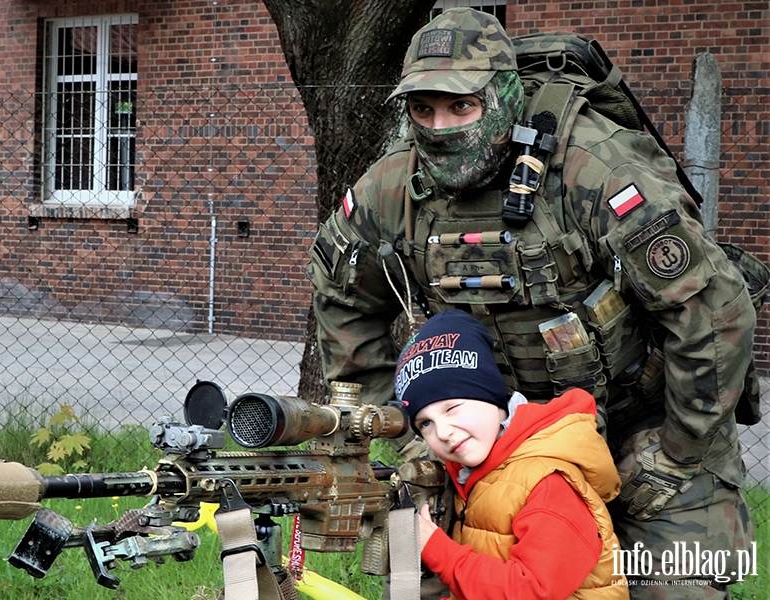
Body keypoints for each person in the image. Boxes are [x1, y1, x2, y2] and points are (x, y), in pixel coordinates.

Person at [307, 7, 758, 597]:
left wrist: (677, 448)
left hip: (642, 425)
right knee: (442, 582)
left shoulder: (593, 167)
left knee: (672, 586)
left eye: (461, 106)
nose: (440, 126)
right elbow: (342, 295)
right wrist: (407, 427)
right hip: (488, 439)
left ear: (504, 96)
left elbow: (714, 312)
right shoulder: (391, 188)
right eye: (423, 108)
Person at [395, 309, 627, 599]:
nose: (442, 432)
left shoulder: (546, 484)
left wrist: (438, 551)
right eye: (425, 423)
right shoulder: (478, 471)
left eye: (451, 408)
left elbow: (530, 591)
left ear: (490, 395)